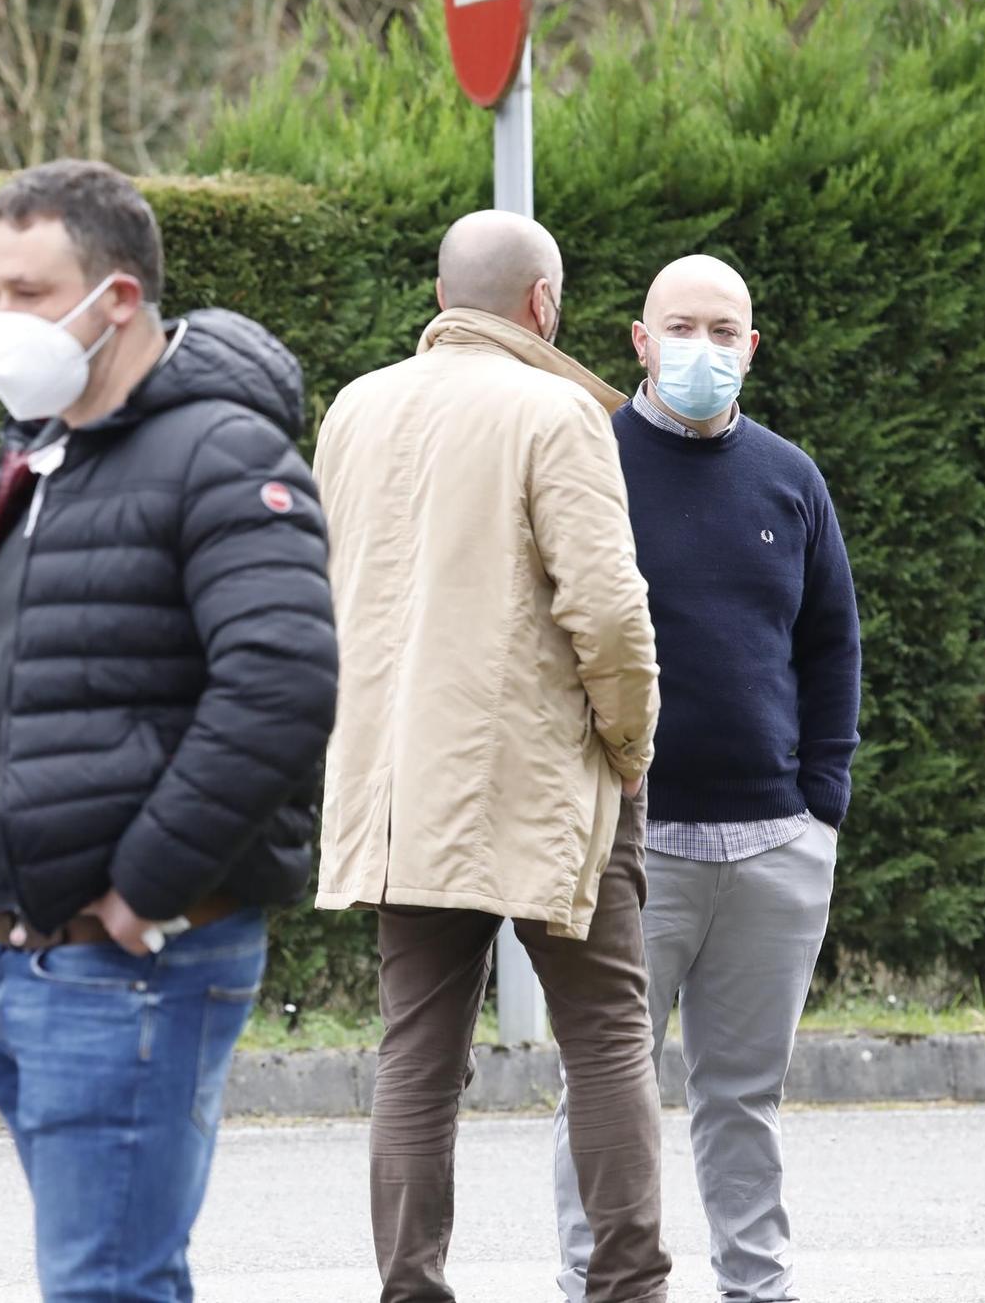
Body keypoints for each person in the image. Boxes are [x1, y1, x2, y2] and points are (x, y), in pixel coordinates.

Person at [0, 158, 337, 1303]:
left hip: (126, 958)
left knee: (107, 1285)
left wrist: (142, 888)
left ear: (119, 299)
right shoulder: (46, 454)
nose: (1, 321)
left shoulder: (222, 455)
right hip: (24, 956)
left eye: (29, 295)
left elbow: (281, 684)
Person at [314, 209, 667, 1303]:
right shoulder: (558, 412)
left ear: (437, 295)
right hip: (541, 781)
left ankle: (409, 1288)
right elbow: (607, 614)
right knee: (606, 1035)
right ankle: (625, 1287)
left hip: (396, 786)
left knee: (414, 1052)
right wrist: (629, 743)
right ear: (542, 305)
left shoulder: (353, 410)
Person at [552, 255, 861, 1303]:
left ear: (750, 349)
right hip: (633, 844)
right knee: (606, 1086)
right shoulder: (584, 462)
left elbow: (830, 646)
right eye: (679, 326)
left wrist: (820, 804)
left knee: (743, 1095)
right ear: (637, 340)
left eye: (722, 331)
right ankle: (597, 1279)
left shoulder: (789, 478)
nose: (701, 348)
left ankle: (755, 1285)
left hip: (773, 845)